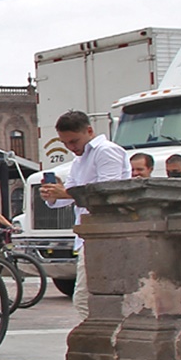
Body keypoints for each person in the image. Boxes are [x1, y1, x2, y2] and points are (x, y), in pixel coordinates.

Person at [39, 110, 131, 322]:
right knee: (91, 298)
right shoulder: (80, 159)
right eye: (65, 143)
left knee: (86, 298)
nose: (71, 147)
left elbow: (108, 192)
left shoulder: (106, 151)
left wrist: (66, 193)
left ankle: (100, 342)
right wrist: (53, 196)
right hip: (88, 235)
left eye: (74, 141)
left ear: (89, 131)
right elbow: (71, 194)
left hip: (104, 233)